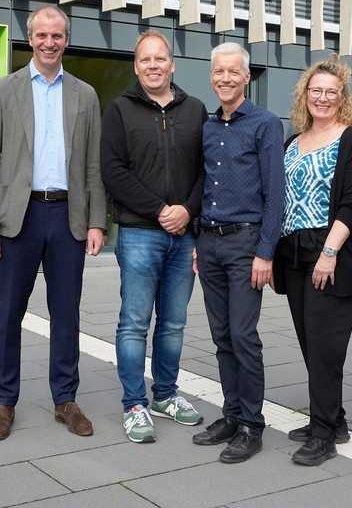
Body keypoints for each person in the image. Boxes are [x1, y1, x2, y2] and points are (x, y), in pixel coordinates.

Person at [0, 4, 107, 441]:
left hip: (67, 216)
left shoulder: (85, 95)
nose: (49, 42)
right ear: (29, 38)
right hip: (18, 218)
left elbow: (92, 166)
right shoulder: (3, 91)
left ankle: (65, 399)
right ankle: (4, 402)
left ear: (67, 40)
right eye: (41, 35)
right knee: (7, 312)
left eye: (58, 35)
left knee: (66, 313)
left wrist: (96, 222)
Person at [100, 29, 207, 443]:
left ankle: (165, 395)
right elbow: (113, 172)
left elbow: (205, 171)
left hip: (184, 236)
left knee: (174, 323)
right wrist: (160, 210)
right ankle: (134, 404)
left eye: (160, 58)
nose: (153, 65)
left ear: (172, 64)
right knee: (134, 322)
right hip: (140, 234)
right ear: (136, 66)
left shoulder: (195, 110)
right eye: (145, 59)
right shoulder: (120, 111)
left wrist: (187, 210)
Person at [271, 56, 352, 466]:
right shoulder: (291, 142)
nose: (324, 98)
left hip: (333, 253)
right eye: (317, 91)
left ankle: (323, 433)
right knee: (311, 343)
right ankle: (335, 420)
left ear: (342, 96)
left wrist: (329, 252)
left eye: (332, 91)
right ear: (305, 95)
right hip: (294, 254)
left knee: (327, 347)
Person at [191, 42, 285, 464]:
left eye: (233, 71)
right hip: (209, 242)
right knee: (221, 336)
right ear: (211, 77)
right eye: (218, 72)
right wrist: (197, 241)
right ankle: (230, 414)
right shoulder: (208, 127)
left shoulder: (265, 124)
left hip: (247, 245)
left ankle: (251, 424)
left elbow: (275, 193)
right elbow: (202, 183)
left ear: (247, 77)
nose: (225, 78)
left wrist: (266, 251)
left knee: (244, 335)